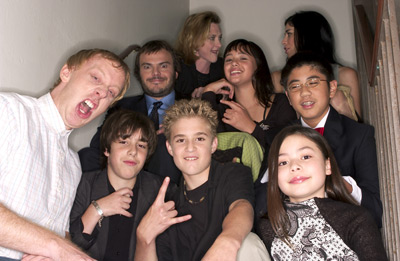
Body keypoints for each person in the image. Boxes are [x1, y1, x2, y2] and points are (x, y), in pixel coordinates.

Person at [0, 48, 130, 260]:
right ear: (66, 72)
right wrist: (54, 247)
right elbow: (57, 245)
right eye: (96, 77)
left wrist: (53, 253)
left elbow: (62, 233)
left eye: (111, 93)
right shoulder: (8, 111)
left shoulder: (72, 163)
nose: (101, 93)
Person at [135, 99, 269, 261]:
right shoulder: (166, 206)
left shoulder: (232, 173)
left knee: (248, 244)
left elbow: (241, 206)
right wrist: (143, 239)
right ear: (170, 148)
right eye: (181, 140)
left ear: (213, 144)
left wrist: (228, 241)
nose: (190, 147)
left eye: (199, 139)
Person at [280, 52, 382, 227]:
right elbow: (263, 196)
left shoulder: (359, 135)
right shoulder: (279, 137)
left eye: (313, 83)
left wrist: (342, 185)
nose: (304, 93)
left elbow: (374, 210)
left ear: (332, 88)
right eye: (295, 86)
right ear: (288, 97)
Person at [257, 125, 387, 260]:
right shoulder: (268, 227)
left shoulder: (355, 219)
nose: (294, 166)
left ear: (327, 166)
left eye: (305, 156)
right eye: (283, 162)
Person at [70, 109, 170, 260]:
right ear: (107, 149)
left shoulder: (159, 191)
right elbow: (69, 245)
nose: (133, 152)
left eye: (141, 145)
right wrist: (97, 209)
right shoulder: (82, 184)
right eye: (124, 142)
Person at [79, 40, 182, 184]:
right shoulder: (121, 107)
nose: (156, 73)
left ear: (176, 72)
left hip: (172, 180)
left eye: (163, 66)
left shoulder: (194, 107)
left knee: (164, 144)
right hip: (126, 179)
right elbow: (100, 146)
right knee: (87, 155)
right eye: (147, 67)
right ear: (138, 74)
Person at [202, 39, 297, 164]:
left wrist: (251, 128)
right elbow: (212, 149)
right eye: (229, 60)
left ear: (258, 65)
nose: (234, 63)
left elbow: (289, 146)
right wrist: (208, 91)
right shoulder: (221, 109)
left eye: (243, 58)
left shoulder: (281, 102)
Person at [272, 10, 361, 121]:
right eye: (295, 86)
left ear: (307, 36)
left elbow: (357, 123)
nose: (283, 41)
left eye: (289, 34)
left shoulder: (345, 74)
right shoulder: (277, 78)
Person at [175, 11, 224, 100]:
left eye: (219, 38)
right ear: (194, 40)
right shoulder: (177, 69)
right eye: (212, 38)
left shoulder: (223, 67)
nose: (219, 44)